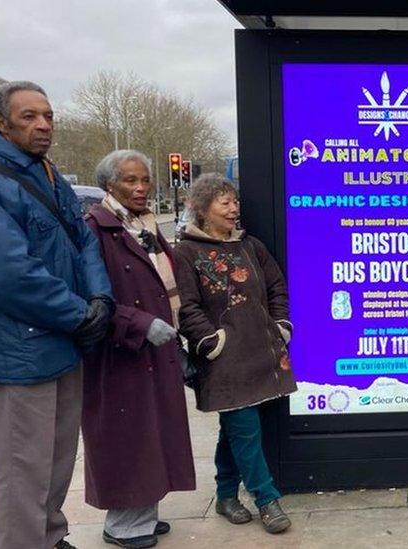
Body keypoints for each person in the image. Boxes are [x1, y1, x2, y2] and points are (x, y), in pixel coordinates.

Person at [0, 81, 114, 549]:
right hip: (22, 350)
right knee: (24, 469)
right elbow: (6, 276)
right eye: (29, 117)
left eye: (48, 115)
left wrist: (100, 299)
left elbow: (83, 240)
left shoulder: (48, 173)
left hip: (64, 341)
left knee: (58, 460)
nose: (43, 125)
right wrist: (81, 314)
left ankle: (50, 537)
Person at [83, 150, 196, 549]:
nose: (141, 187)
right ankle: (124, 524)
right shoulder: (96, 228)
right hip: (122, 353)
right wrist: (140, 323)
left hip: (154, 347)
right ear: (109, 185)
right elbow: (91, 297)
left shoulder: (144, 225)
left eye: (145, 179)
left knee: (152, 435)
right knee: (129, 438)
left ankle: (142, 514)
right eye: (130, 180)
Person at [173, 174, 296, 535]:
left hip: (260, 351)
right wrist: (210, 340)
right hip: (223, 359)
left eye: (234, 201)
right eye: (223, 202)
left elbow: (276, 286)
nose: (233, 209)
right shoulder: (186, 253)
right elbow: (187, 305)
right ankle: (266, 498)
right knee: (245, 429)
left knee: (234, 428)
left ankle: (226, 494)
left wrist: (282, 324)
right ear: (201, 208)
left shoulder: (251, 246)